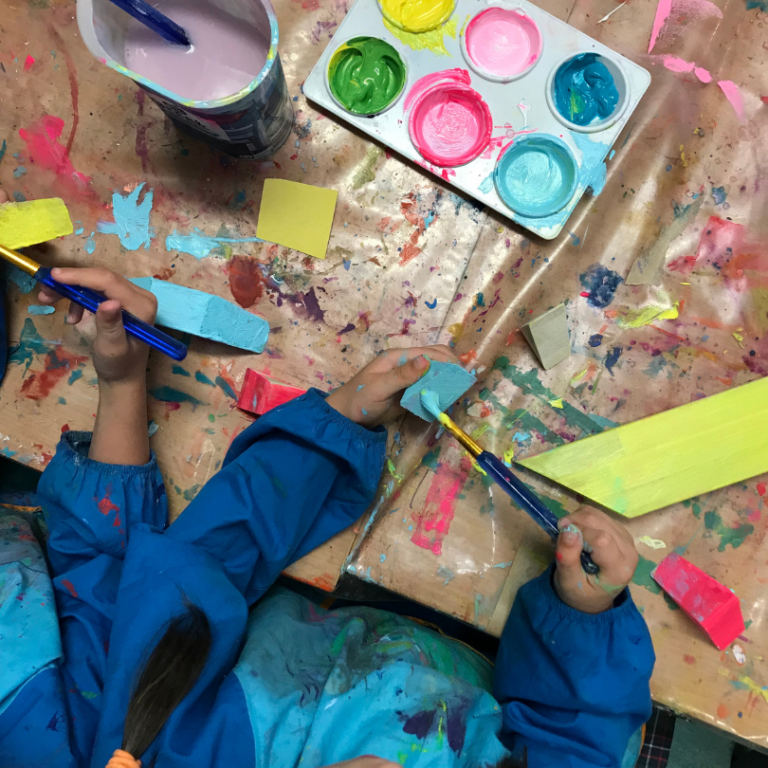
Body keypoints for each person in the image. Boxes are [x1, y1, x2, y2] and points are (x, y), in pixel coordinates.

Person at [0, 265, 654, 768]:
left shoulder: (116, 736)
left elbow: (147, 585)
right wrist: (583, 626)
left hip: (319, 626)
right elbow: (580, 742)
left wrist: (336, 424)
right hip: (490, 663)